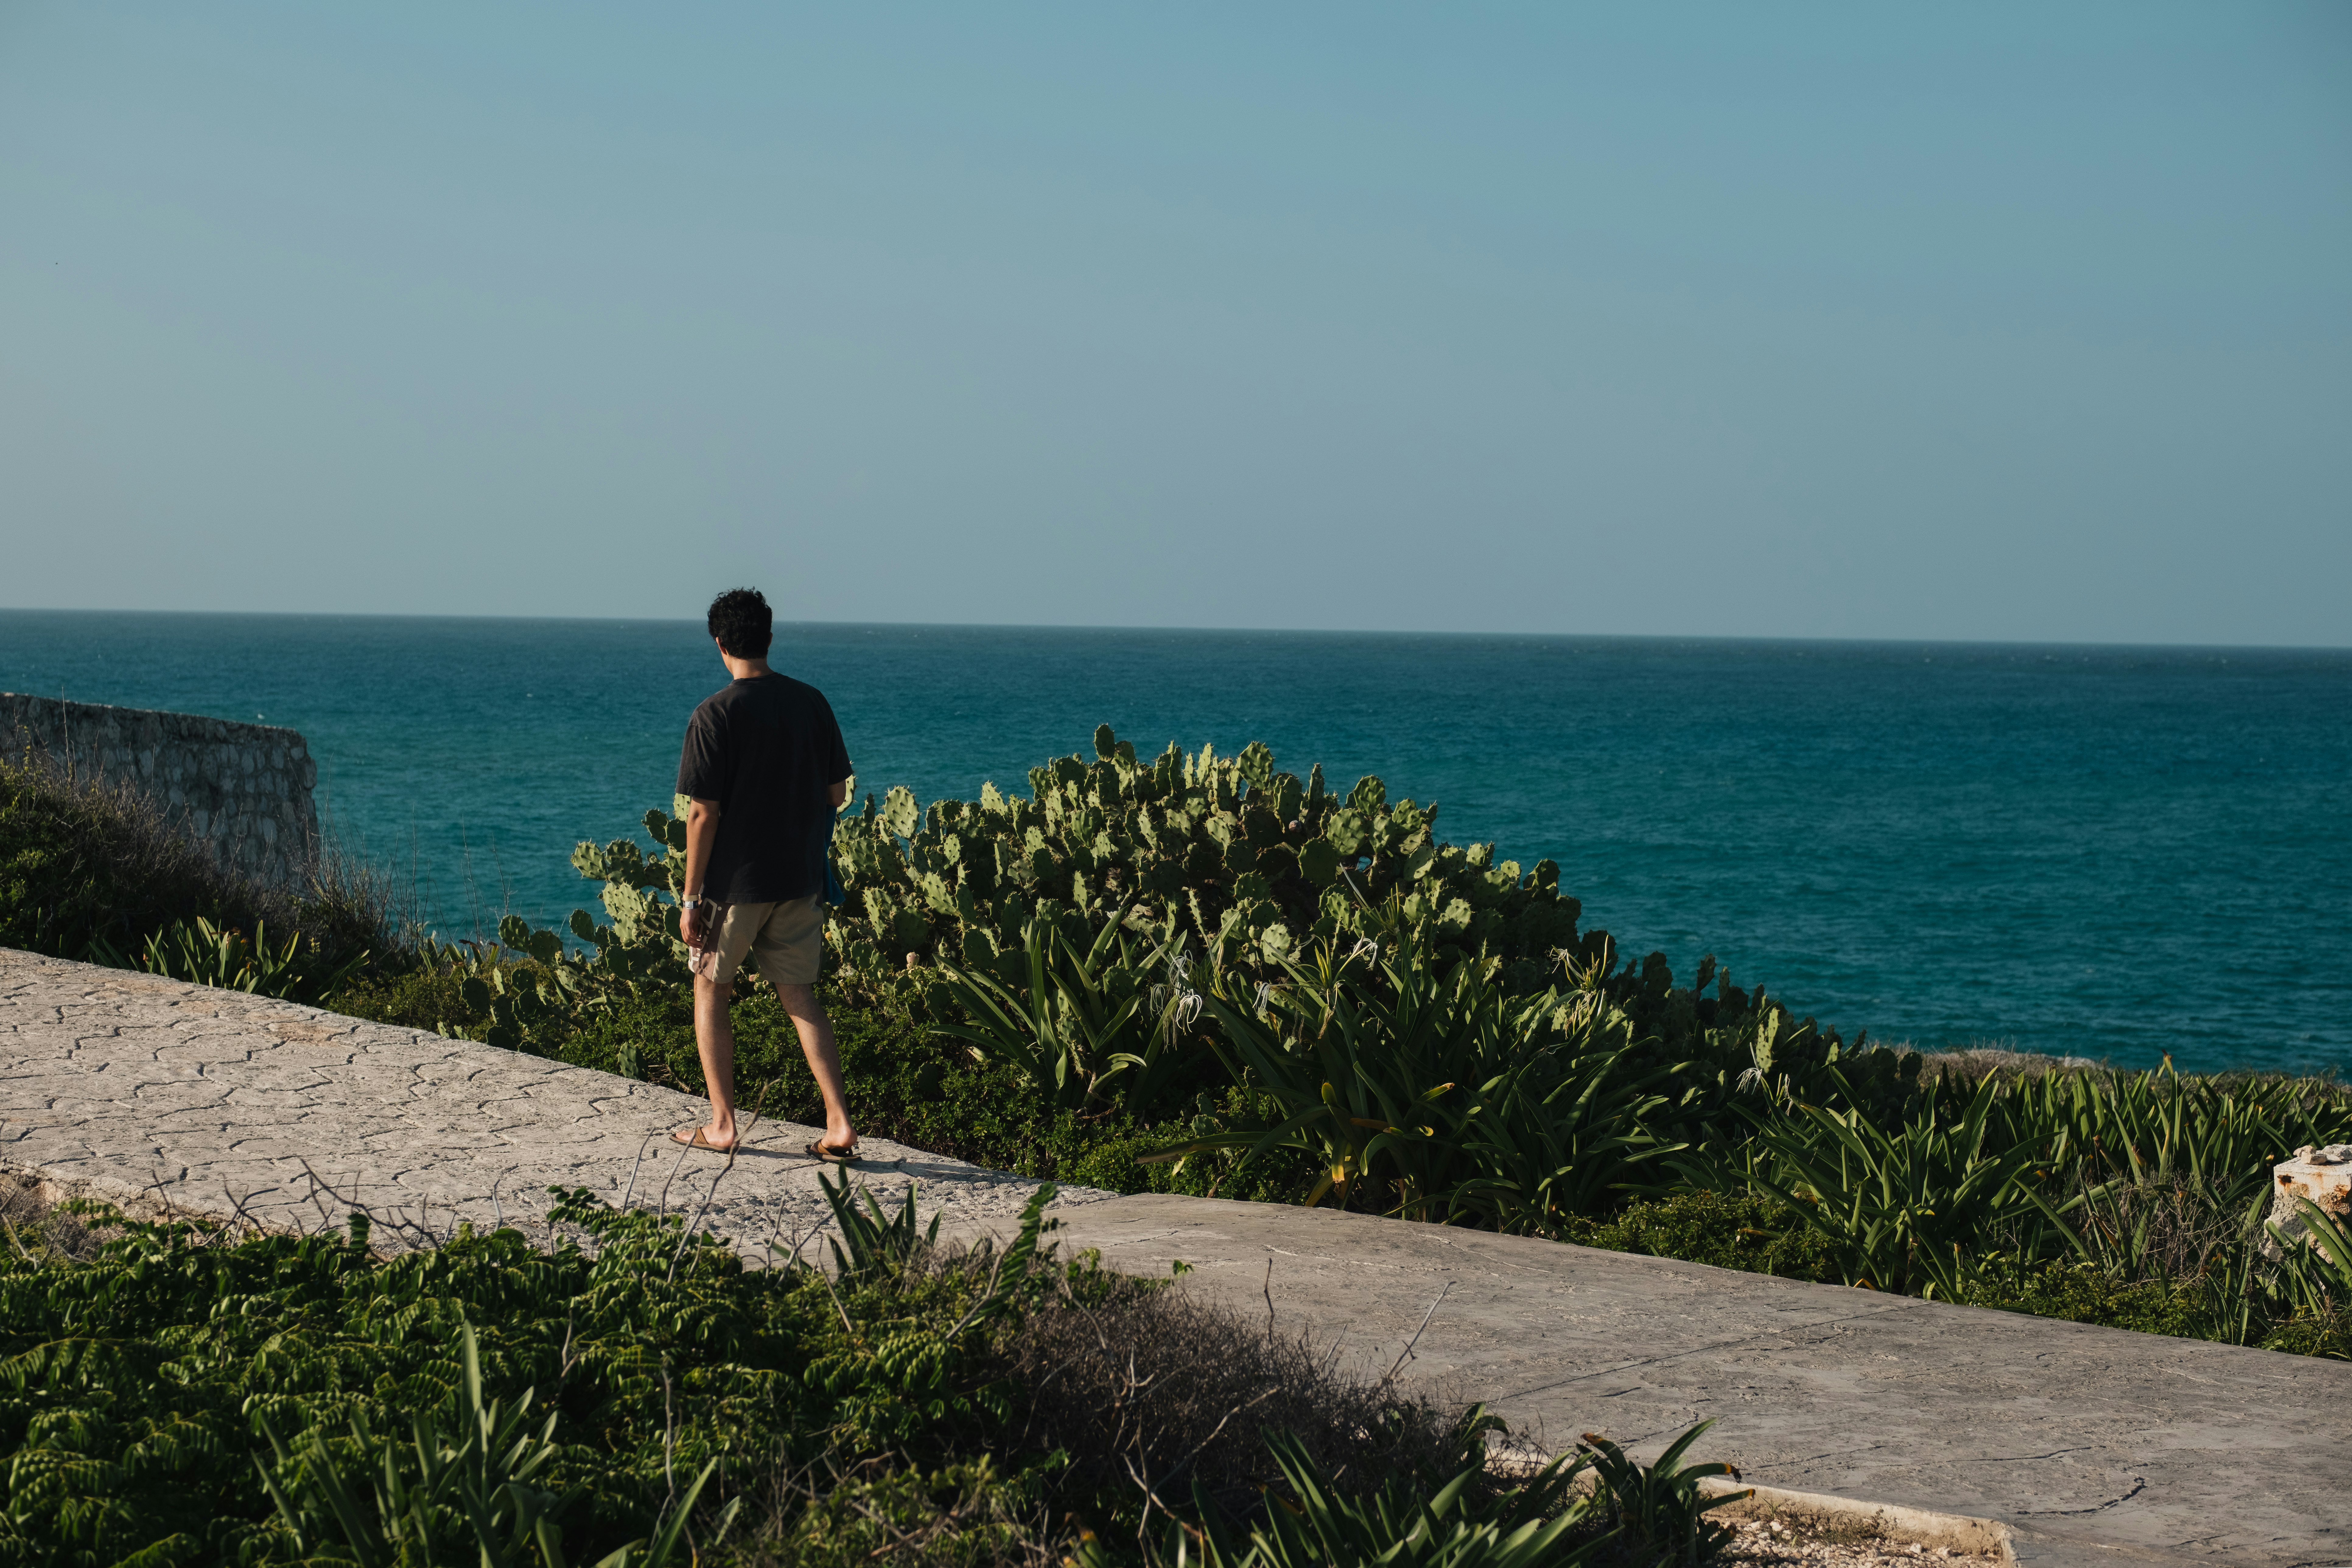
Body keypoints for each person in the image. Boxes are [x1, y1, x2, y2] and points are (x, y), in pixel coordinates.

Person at [672, 587, 858, 1160]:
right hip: (800, 877)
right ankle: (839, 1125)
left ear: (721, 644)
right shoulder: (812, 703)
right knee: (800, 996)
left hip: (735, 886)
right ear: (770, 638)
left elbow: (703, 813)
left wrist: (690, 898)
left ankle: (723, 1124)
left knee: (711, 988)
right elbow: (835, 793)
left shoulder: (714, 714)